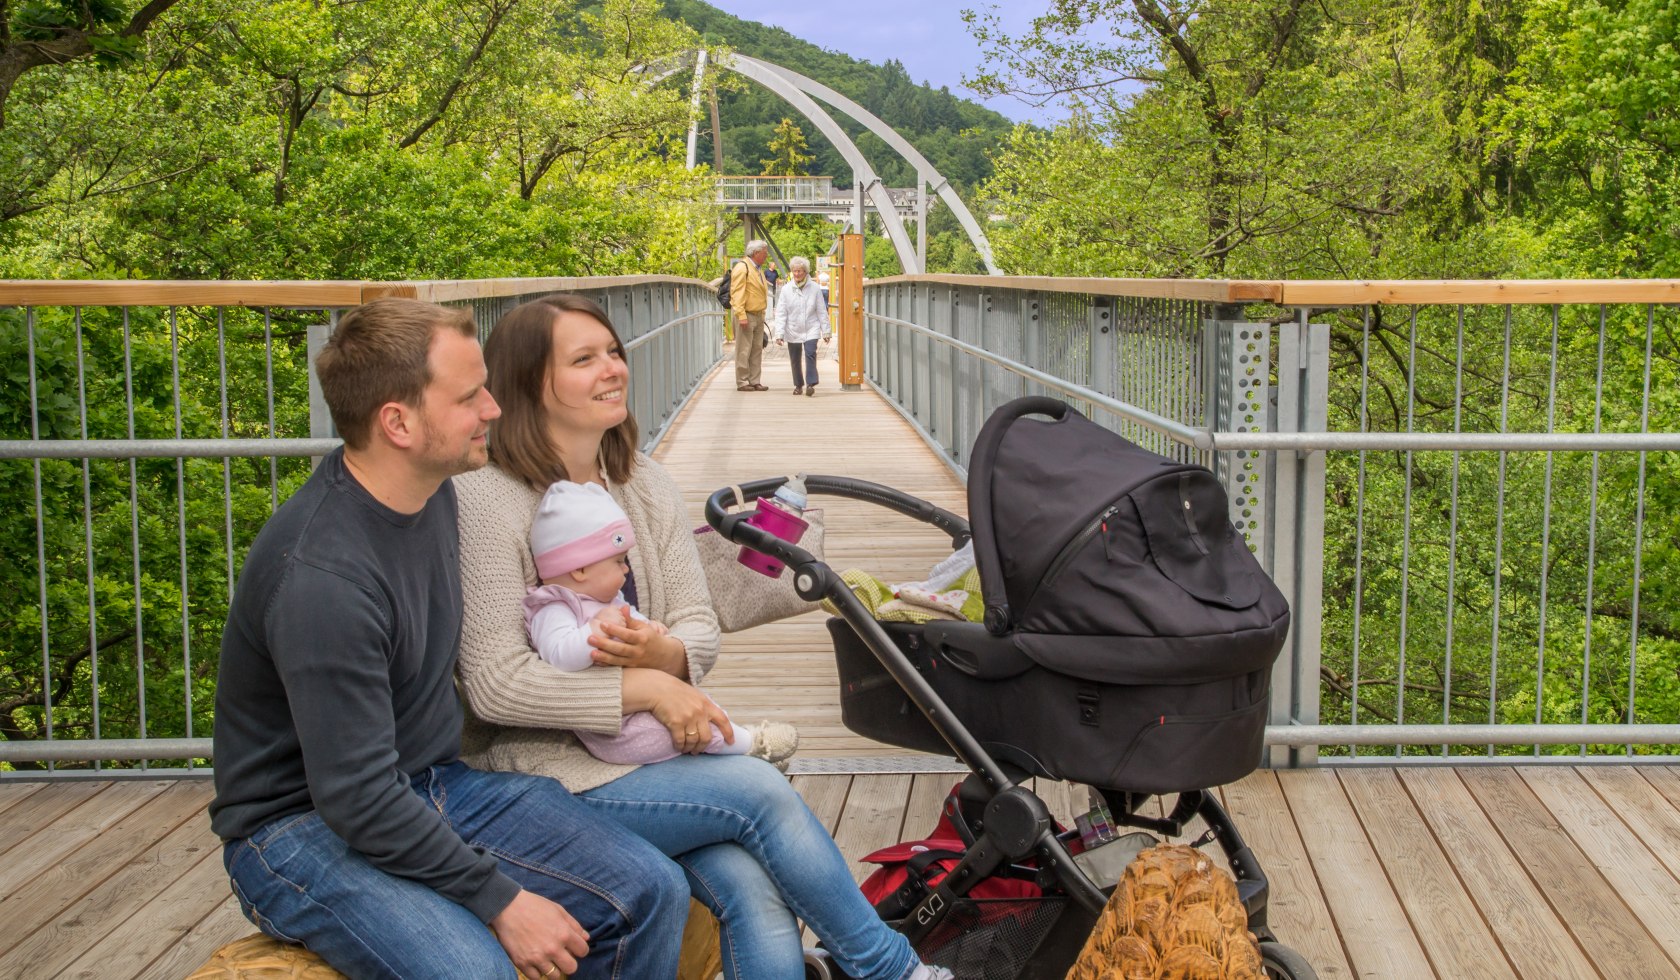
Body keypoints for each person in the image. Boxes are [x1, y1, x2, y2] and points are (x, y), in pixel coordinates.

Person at [453, 292, 953, 980]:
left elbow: (696, 621)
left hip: (651, 762)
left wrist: (671, 656)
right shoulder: (483, 500)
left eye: (615, 353)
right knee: (760, 793)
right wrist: (648, 688)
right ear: (528, 384)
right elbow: (494, 683)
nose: (614, 370)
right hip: (544, 778)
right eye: (585, 359)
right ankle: (888, 968)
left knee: (753, 889)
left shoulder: (644, 484)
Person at [208, 298, 688, 980]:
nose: (494, 408)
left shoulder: (433, 493)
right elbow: (356, 798)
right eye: (469, 397)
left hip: (435, 783)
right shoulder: (322, 579)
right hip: (298, 826)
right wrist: (500, 901)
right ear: (397, 422)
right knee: (475, 971)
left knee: (650, 891)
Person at [524, 478, 798, 767]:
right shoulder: (554, 608)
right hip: (617, 728)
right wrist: (595, 631)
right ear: (579, 569)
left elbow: (636, 618)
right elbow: (559, 656)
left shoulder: (606, 599)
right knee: (677, 729)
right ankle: (750, 745)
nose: (626, 569)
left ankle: (748, 755)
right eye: (617, 562)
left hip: (643, 707)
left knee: (699, 707)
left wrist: (652, 631)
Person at [773, 256, 832, 396]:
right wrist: (779, 334)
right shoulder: (787, 289)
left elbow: (821, 310)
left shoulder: (815, 288)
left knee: (810, 353)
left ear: (805, 272)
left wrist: (826, 331)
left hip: (811, 327)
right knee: (795, 358)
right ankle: (798, 385)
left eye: (800, 271)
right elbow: (781, 313)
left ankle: (811, 383)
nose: (797, 274)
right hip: (792, 328)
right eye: (795, 271)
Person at [730, 240, 770, 391]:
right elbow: (737, 292)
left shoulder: (758, 269)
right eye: (764, 253)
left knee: (756, 349)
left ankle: (754, 380)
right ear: (756, 253)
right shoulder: (743, 267)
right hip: (746, 314)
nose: (766, 255)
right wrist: (741, 314)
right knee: (743, 349)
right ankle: (742, 381)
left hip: (758, 315)